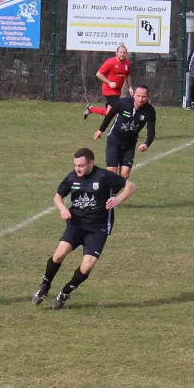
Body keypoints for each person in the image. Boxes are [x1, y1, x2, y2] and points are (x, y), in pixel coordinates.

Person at [32, 147, 136, 310]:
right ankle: (45, 286)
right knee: (59, 255)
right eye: (75, 165)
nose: (77, 168)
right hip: (76, 224)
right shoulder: (72, 177)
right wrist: (63, 209)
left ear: (91, 163)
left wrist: (118, 199)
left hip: (98, 229)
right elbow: (58, 197)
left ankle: (65, 292)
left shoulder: (104, 176)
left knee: (87, 266)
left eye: (81, 165)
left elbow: (131, 186)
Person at [93, 85, 156, 179]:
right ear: (133, 95)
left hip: (129, 144)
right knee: (111, 173)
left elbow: (151, 130)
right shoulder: (123, 103)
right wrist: (101, 130)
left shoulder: (150, 111)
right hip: (114, 140)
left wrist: (147, 144)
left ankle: (116, 193)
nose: (140, 99)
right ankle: (109, 193)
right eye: (138, 96)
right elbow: (110, 115)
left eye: (143, 97)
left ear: (147, 97)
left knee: (124, 175)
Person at [83, 45, 134, 119]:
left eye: (124, 52)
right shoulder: (110, 62)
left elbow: (128, 75)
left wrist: (130, 87)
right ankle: (130, 119)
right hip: (108, 90)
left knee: (109, 113)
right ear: (116, 53)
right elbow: (98, 74)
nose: (122, 54)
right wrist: (109, 83)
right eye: (120, 52)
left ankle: (90, 109)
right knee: (118, 110)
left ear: (126, 54)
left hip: (117, 91)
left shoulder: (127, 63)